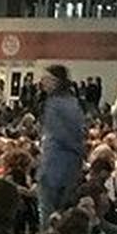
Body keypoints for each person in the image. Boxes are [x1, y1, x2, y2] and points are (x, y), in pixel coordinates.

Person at [37, 64, 87, 221]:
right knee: (63, 213)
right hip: (71, 165)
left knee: (48, 212)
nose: (42, 82)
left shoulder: (54, 104)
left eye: (45, 78)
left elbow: (59, 134)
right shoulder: (73, 102)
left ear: (55, 81)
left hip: (53, 164)